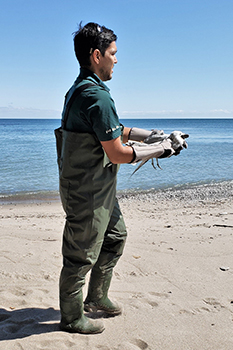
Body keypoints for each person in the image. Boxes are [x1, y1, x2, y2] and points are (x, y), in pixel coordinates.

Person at [55, 22, 184, 335]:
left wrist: (148, 134)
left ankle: (96, 297)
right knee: (80, 255)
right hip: (87, 191)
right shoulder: (96, 97)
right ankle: (72, 318)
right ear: (97, 55)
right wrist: (162, 149)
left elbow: (111, 127)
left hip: (97, 187)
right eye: (113, 54)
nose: (117, 59)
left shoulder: (84, 89)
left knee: (115, 237)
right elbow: (117, 154)